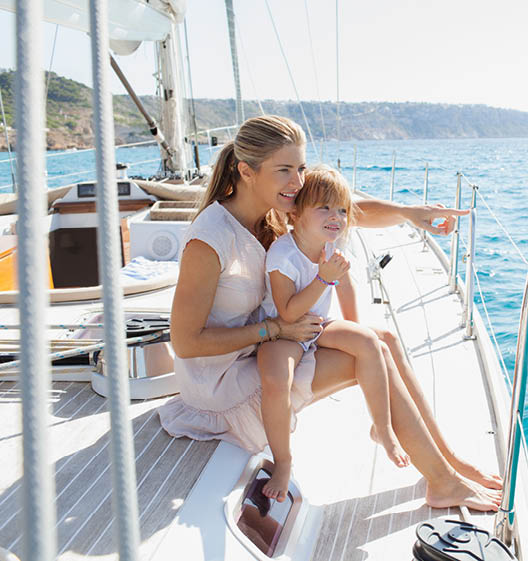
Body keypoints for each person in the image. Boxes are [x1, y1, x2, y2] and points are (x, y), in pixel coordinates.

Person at [159, 115, 502, 512]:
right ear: (246, 171)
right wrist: (272, 330)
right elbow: (185, 342)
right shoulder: (210, 239)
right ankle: (442, 482)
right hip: (220, 383)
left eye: (300, 167)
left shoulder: (273, 209)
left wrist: (410, 213)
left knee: (384, 339)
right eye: (284, 170)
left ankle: (448, 461)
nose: (297, 181)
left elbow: (345, 209)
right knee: (371, 356)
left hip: (268, 344)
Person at [257, 164, 409, 501]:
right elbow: (288, 311)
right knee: (275, 379)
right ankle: (283, 460)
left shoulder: (331, 246)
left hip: (316, 325)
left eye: (341, 209)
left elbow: (345, 288)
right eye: (324, 207)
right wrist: (323, 277)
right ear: (295, 212)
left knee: (369, 341)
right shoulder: (282, 253)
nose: (336, 216)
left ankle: (381, 428)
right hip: (280, 333)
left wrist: (354, 327)